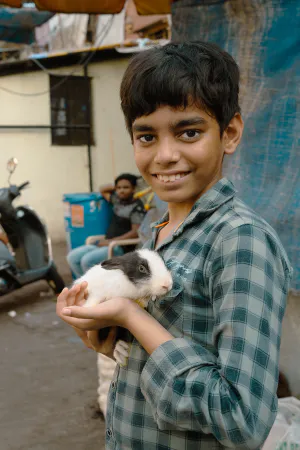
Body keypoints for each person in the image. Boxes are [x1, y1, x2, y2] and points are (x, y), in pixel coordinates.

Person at [57, 42, 292, 449]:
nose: (165, 155)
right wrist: (104, 333)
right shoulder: (161, 231)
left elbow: (243, 420)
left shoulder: (241, 241)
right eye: (147, 135)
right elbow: (159, 352)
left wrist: (131, 317)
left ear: (230, 133)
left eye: (189, 132)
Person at [67, 173, 146, 278]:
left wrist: (110, 242)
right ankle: (84, 287)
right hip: (106, 243)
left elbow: (135, 233)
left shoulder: (137, 207)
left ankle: (94, 287)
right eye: (118, 188)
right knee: (72, 257)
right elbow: (102, 189)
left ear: (134, 189)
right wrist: (118, 184)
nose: (121, 190)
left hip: (120, 246)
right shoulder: (117, 200)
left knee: (87, 260)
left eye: (126, 187)